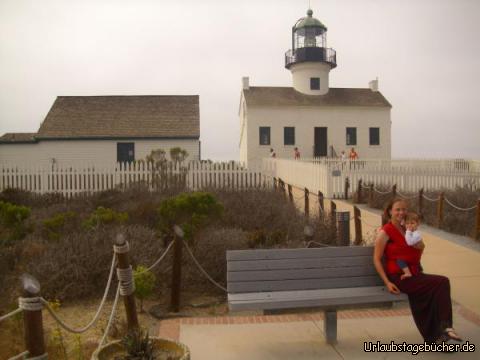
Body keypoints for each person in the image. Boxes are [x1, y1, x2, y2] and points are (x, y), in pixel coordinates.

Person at [373, 198, 462, 344]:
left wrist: (420, 245)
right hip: (399, 277)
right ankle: (445, 329)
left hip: (414, 274)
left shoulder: (408, 228)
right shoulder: (385, 232)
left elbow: (418, 247)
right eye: (397, 210)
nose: (401, 212)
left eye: (404, 209)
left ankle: (438, 337)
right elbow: (376, 259)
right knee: (442, 282)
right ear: (390, 211)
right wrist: (387, 282)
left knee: (433, 293)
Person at [397, 212, 423, 280]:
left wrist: (408, 231)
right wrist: (403, 222)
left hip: (414, 256)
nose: (409, 225)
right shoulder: (412, 231)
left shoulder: (417, 234)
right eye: (407, 223)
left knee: (399, 260)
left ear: (418, 224)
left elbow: (409, 242)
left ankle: (407, 273)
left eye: (412, 223)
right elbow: (401, 223)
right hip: (413, 254)